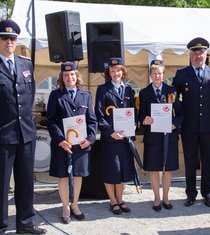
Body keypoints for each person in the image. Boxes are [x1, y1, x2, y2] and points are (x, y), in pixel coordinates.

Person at [0, 19, 47, 234]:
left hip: (25, 133)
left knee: (26, 181)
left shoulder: (25, 63)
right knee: (1, 184)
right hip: (3, 134)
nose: (9, 42)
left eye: (12, 38)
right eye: (4, 38)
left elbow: (29, 97)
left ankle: (25, 223)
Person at [173, 37, 210, 208]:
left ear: (206, 54)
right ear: (190, 54)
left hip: (209, 125)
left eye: (201, 52)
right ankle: (190, 194)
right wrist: (181, 113)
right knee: (189, 160)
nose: (198, 55)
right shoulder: (182, 74)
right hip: (189, 125)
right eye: (195, 52)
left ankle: (207, 193)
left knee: (208, 160)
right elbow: (173, 97)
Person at [46, 62, 97, 223]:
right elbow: (51, 120)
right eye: (66, 75)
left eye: (72, 75)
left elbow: (92, 121)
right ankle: (65, 207)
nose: (70, 78)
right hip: (63, 145)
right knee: (63, 176)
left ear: (77, 76)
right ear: (62, 78)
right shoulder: (56, 95)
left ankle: (75, 205)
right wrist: (60, 140)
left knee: (77, 176)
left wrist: (90, 139)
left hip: (81, 144)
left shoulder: (86, 95)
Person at [138, 60, 184, 211]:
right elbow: (141, 115)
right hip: (152, 137)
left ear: (163, 75)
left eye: (159, 73)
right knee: (153, 169)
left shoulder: (172, 91)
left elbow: (180, 113)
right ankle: (156, 198)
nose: (157, 76)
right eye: (154, 73)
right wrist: (145, 119)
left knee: (167, 169)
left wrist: (174, 124)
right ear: (150, 75)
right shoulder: (144, 93)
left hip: (168, 135)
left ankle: (166, 197)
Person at [95, 57, 136, 215]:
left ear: (123, 72)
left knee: (122, 171)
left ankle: (120, 199)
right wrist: (111, 132)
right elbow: (99, 115)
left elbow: (133, 111)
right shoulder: (103, 89)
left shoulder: (128, 89)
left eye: (118, 70)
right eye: (112, 71)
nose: (115, 73)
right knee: (112, 170)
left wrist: (134, 124)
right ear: (109, 73)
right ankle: (112, 201)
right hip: (110, 138)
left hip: (125, 138)